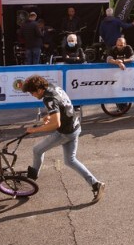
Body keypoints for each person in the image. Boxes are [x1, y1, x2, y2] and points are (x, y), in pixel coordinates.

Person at [21, 75, 104, 203]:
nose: (32, 95)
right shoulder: (53, 87)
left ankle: (32, 178)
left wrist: (34, 130)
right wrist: (49, 116)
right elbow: (62, 105)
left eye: (32, 92)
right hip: (75, 127)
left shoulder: (48, 98)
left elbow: (56, 124)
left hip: (65, 132)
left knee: (37, 150)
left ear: (38, 89)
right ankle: (96, 184)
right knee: (70, 161)